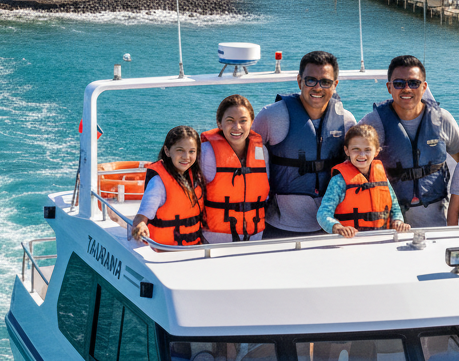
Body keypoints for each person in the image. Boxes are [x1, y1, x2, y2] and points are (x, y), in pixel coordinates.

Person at [253, 50, 355, 238]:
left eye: (325, 82)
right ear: (299, 81)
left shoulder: (346, 121)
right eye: (311, 80)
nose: (318, 87)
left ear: (335, 85)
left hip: (332, 226)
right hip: (279, 225)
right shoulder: (270, 116)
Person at [359, 55, 459, 227]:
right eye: (399, 83)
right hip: (388, 219)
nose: (407, 89)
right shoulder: (373, 122)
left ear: (424, 87)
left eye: (414, 83)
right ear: (389, 87)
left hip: (436, 218)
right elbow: (351, 161)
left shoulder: (442, 119)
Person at [317, 124, 410, 237]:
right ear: (347, 150)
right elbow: (323, 214)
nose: (362, 155)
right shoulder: (339, 181)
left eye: (367, 150)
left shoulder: (382, 177)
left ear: (376, 151)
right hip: (351, 241)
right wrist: (337, 227)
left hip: (380, 239)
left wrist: (398, 221)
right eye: (356, 149)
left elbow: (395, 208)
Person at [199, 95, 269, 243]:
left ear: (251, 123)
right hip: (213, 241)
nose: (237, 127)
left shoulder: (261, 152)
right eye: (230, 121)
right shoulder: (205, 152)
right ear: (219, 123)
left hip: (255, 239)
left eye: (243, 121)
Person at [130, 126, 205, 247]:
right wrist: (140, 225)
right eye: (180, 150)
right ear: (167, 151)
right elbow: (142, 216)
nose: (186, 156)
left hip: (193, 248)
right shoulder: (158, 182)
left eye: (192, 151)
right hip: (163, 251)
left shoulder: (196, 178)